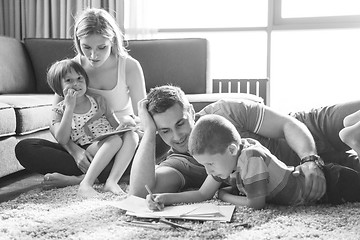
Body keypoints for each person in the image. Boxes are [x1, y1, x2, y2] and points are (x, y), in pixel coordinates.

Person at [129, 85, 360, 204]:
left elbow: (288, 125)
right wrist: (149, 133)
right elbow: (140, 193)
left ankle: (351, 129)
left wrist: (310, 159)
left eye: (180, 123)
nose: (177, 136)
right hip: (303, 175)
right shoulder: (179, 163)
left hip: (312, 130)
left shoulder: (224, 111)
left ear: (191, 111)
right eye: (164, 131)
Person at [15, 8, 146, 189]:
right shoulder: (72, 69)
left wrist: (132, 123)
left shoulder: (129, 66)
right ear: (78, 42)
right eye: (86, 47)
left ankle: (78, 179)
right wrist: (75, 152)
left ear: (112, 40)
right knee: (26, 148)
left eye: (102, 47)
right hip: (83, 146)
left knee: (156, 142)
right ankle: (106, 172)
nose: (93, 56)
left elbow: (143, 115)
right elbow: (55, 122)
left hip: (121, 141)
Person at [146, 114, 360, 210]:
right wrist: (164, 197)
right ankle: (353, 129)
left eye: (210, 164)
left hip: (333, 184)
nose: (207, 170)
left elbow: (256, 204)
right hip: (326, 184)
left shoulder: (251, 158)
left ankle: (354, 137)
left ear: (230, 149)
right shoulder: (227, 159)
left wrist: (223, 195)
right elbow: (202, 194)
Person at [46, 58, 138, 197]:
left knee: (132, 135)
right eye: (68, 81)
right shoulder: (60, 110)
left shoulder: (98, 100)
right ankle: (86, 184)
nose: (76, 84)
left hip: (111, 140)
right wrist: (69, 107)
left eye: (79, 78)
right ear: (58, 87)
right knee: (115, 140)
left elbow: (115, 126)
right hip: (89, 146)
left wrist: (125, 124)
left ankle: (112, 181)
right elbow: (62, 139)